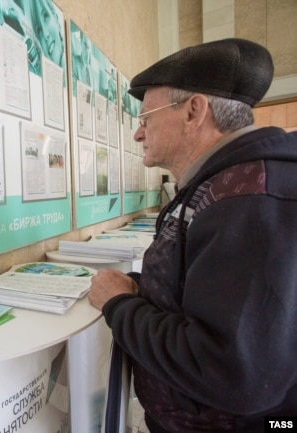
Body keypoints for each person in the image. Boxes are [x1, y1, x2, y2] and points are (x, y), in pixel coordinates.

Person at [88, 38, 297, 432]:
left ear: (193, 111)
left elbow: (233, 371)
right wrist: (141, 291)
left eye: (145, 117)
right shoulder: (225, 184)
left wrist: (119, 305)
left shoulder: (251, 200)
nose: (138, 133)